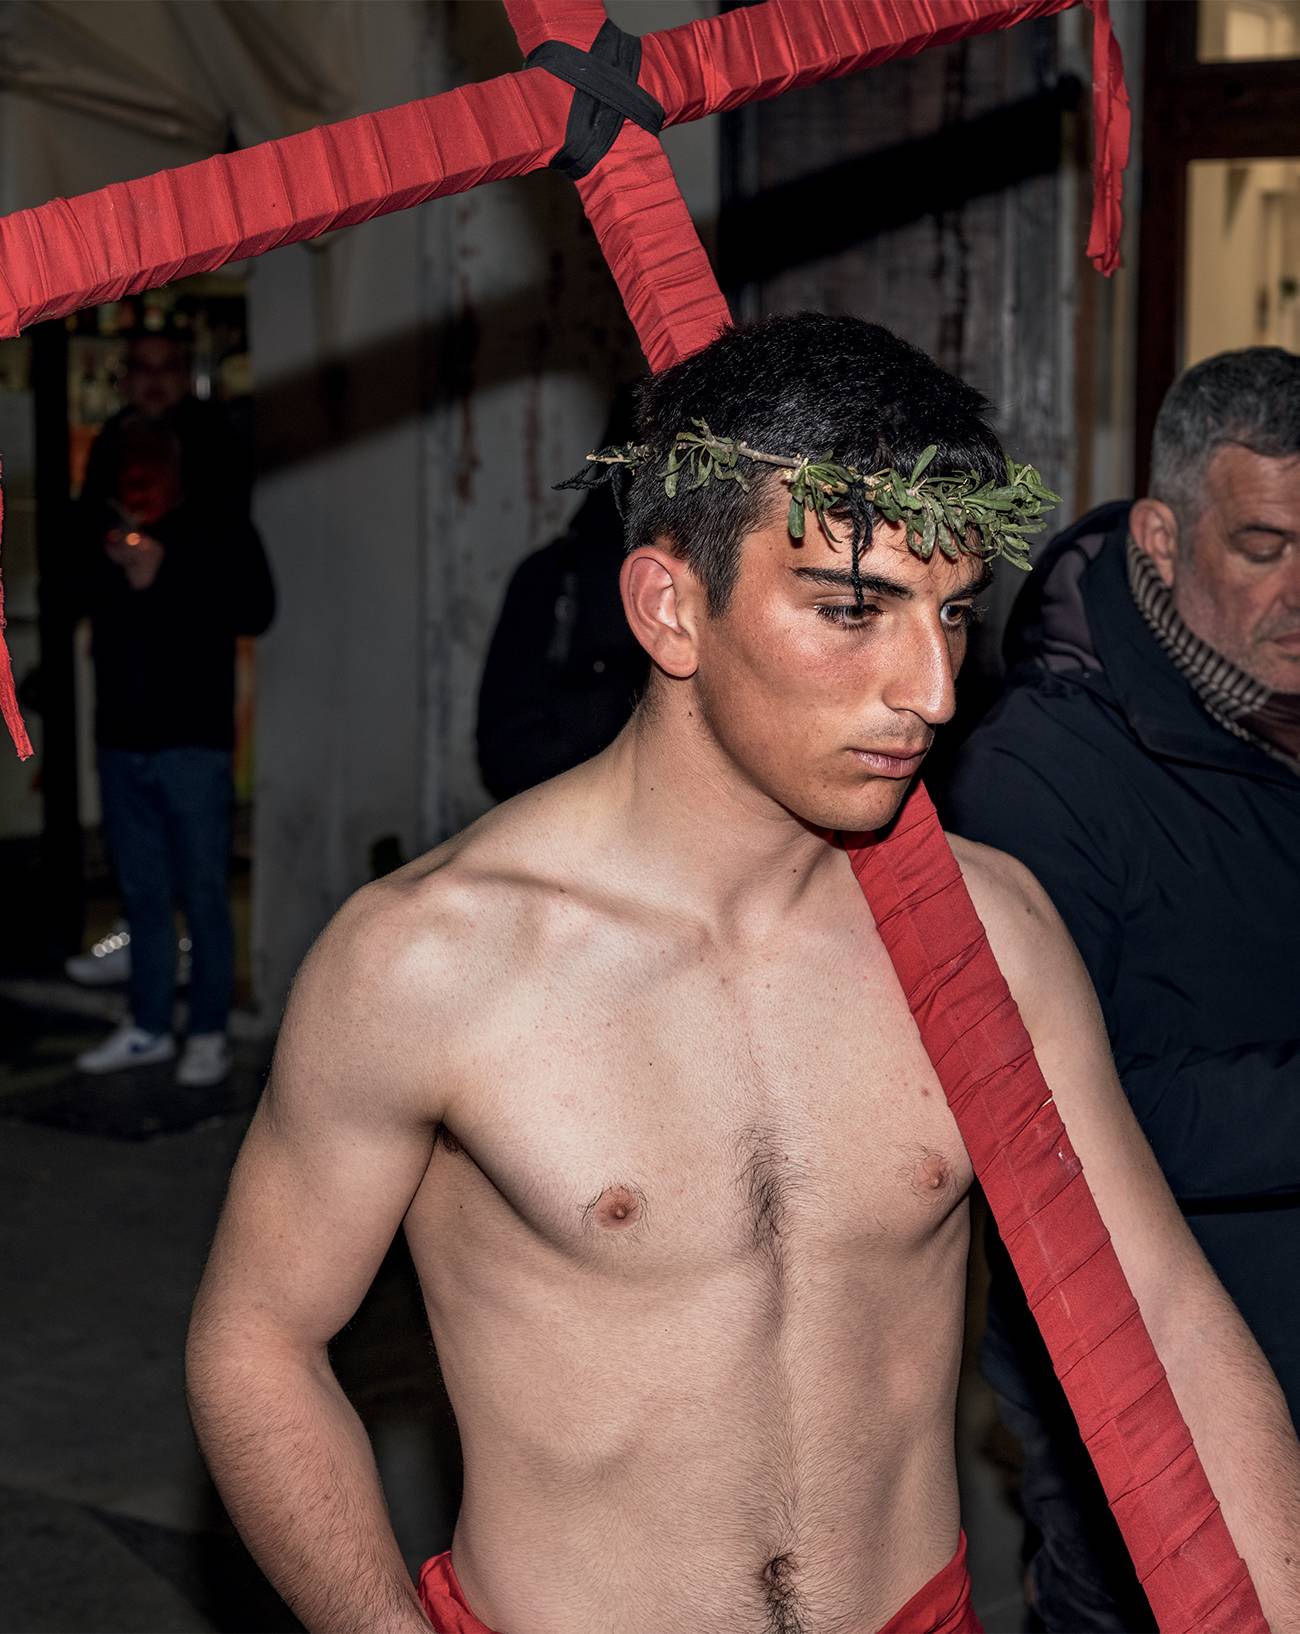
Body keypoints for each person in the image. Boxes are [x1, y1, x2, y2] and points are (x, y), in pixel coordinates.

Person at [186, 317, 1300, 1634]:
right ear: (670, 606)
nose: (933, 688)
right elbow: (255, 1342)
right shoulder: (433, 960)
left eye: (950, 614)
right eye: (852, 610)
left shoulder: (988, 937)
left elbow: (1163, 1314)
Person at [942, 345, 1300, 1631]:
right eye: (1260, 545)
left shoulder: (1274, 704)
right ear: (1160, 533)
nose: (1298, 588)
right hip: (1136, 1372)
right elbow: (1050, 1131)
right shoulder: (1036, 773)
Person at [73, 413, 274, 1086]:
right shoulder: (97, 530)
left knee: (204, 893)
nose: (139, 483)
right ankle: (150, 1024)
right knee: (143, 892)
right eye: (127, 469)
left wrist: (168, 571)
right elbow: (72, 597)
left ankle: (208, 1030)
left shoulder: (215, 528)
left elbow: (257, 608)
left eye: (150, 467)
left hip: (193, 743)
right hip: (122, 741)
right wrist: (119, 573)